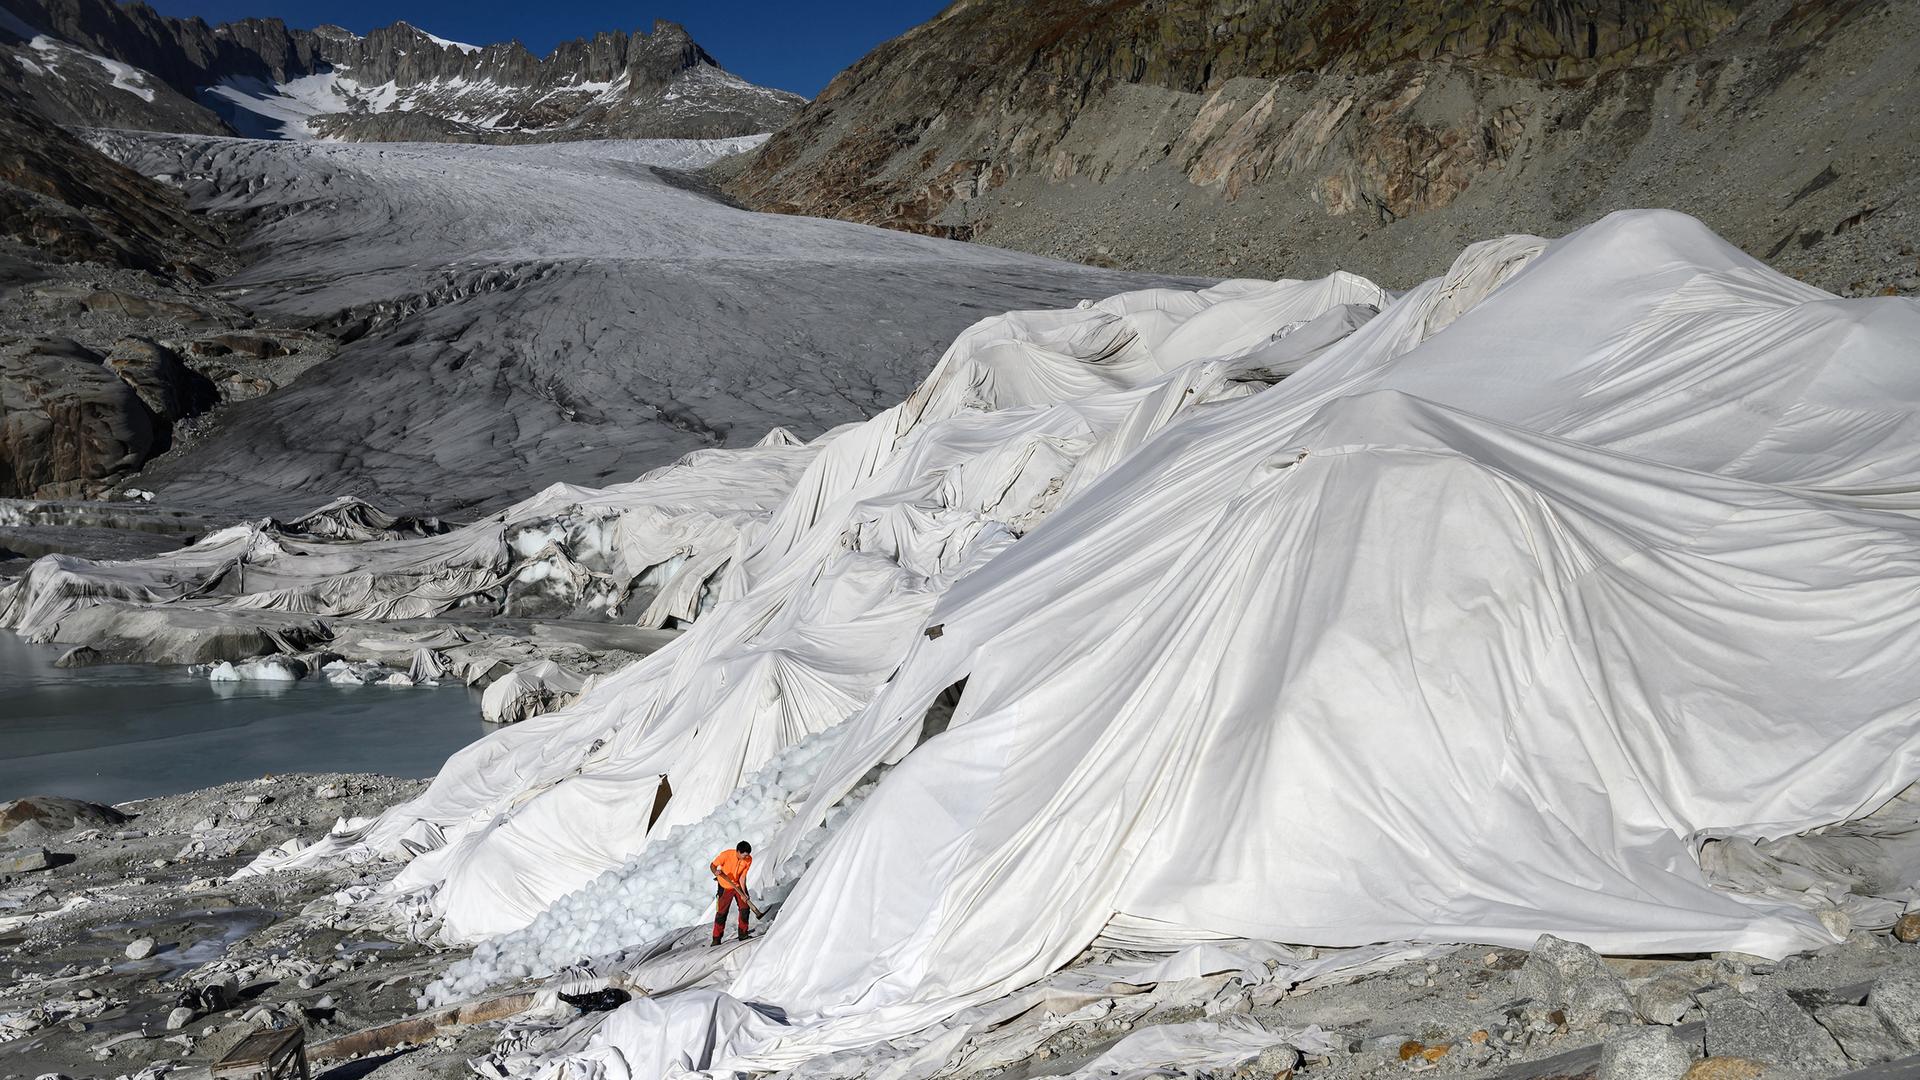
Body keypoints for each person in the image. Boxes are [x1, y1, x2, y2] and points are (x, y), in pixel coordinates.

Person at [710, 840, 753, 945]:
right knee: (721, 913)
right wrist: (716, 872)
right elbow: (713, 865)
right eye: (743, 855)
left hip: (738, 885)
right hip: (725, 886)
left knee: (745, 908)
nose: (745, 857)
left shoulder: (748, 860)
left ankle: (743, 934)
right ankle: (716, 939)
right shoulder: (726, 855)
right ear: (737, 852)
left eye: (747, 855)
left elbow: (742, 877)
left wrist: (744, 893)